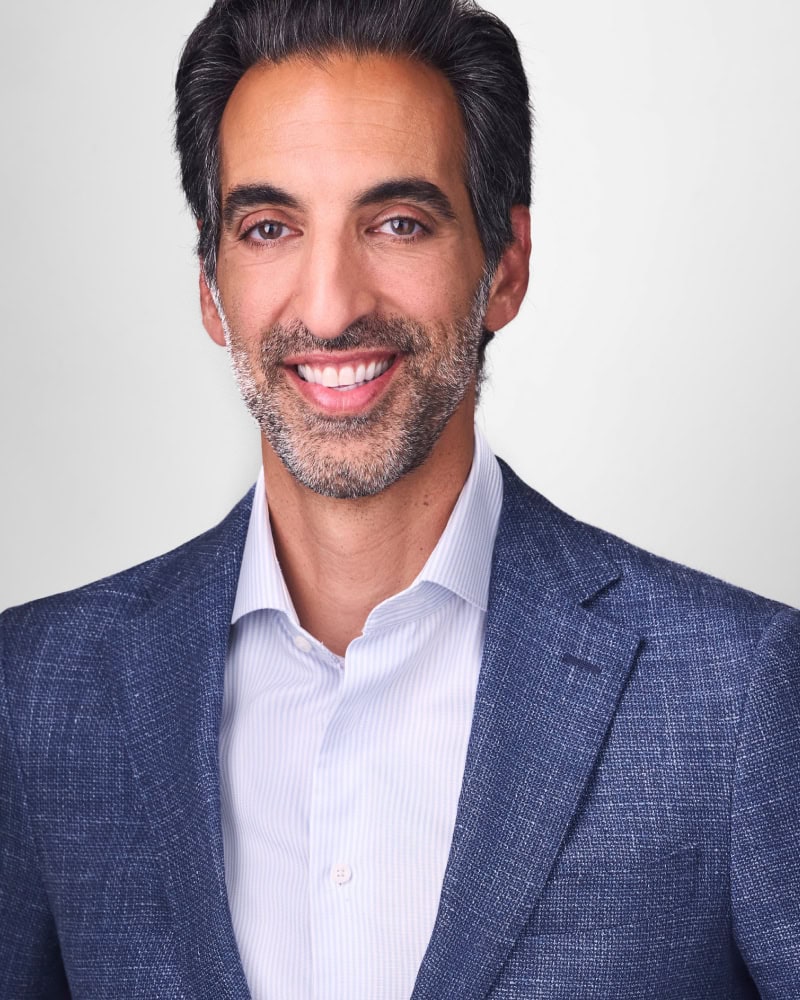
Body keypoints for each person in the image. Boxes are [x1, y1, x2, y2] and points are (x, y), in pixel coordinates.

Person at [1, 0, 798, 996]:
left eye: (396, 222)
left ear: (503, 266)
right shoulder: (36, 694)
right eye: (268, 225)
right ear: (210, 283)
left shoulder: (734, 693)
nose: (330, 305)